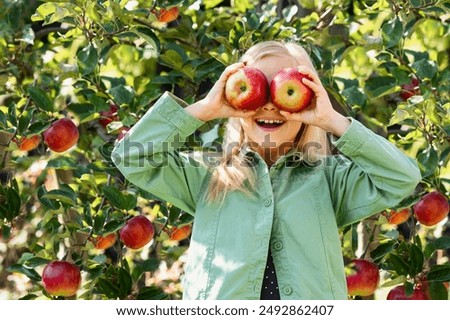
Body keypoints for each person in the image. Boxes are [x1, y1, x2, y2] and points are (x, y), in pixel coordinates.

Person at [112, 41, 421, 300]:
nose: (270, 104)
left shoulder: (329, 178)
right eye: (259, 87)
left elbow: (402, 177)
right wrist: (205, 109)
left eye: (285, 90)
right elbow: (130, 157)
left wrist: (332, 121)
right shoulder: (208, 175)